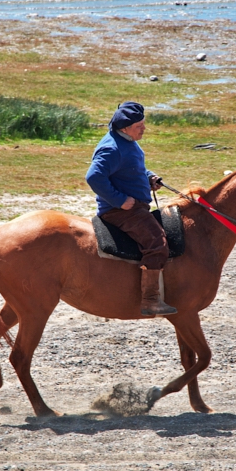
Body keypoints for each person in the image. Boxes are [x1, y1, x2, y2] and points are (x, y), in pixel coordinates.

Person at [85, 102, 177, 316]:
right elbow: (93, 177)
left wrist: (149, 178)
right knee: (157, 243)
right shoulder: (112, 148)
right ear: (125, 127)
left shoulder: (127, 141)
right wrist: (119, 200)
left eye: (143, 124)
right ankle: (151, 300)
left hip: (133, 206)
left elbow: (134, 169)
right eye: (139, 126)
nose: (143, 128)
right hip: (121, 211)